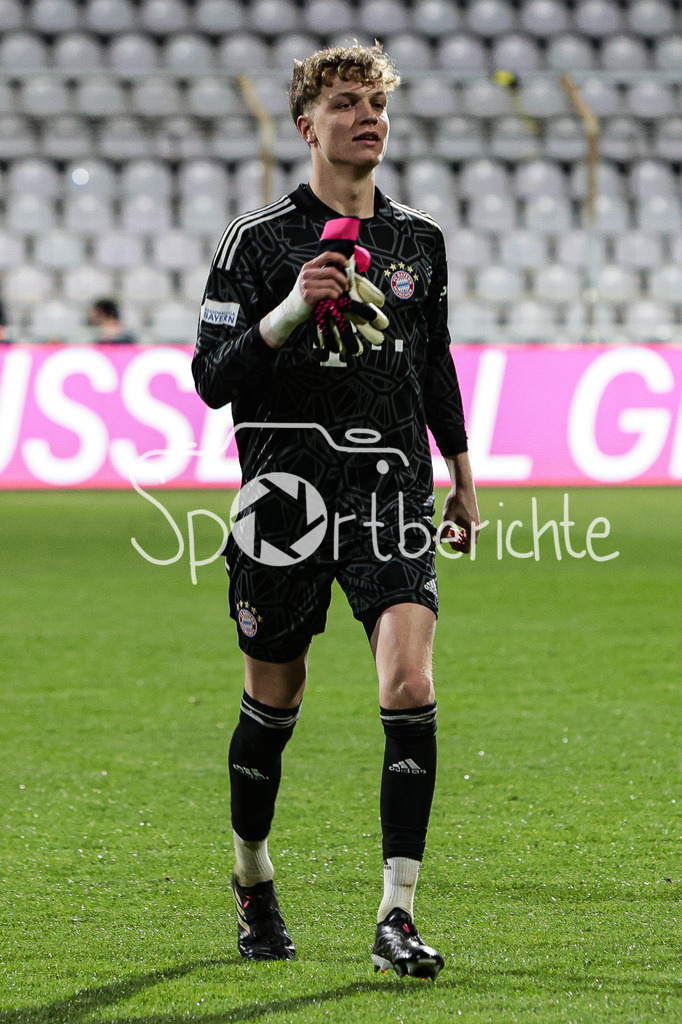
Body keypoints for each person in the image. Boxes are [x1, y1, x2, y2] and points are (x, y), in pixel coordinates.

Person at [192, 42, 481, 980]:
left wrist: (462, 470)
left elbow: (434, 361)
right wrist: (284, 313)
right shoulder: (257, 241)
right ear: (306, 124)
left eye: (378, 105)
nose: (370, 119)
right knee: (275, 701)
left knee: (410, 686)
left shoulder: (419, 242)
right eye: (348, 104)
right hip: (284, 500)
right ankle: (252, 877)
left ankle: (397, 915)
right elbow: (209, 381)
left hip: (391, 490)